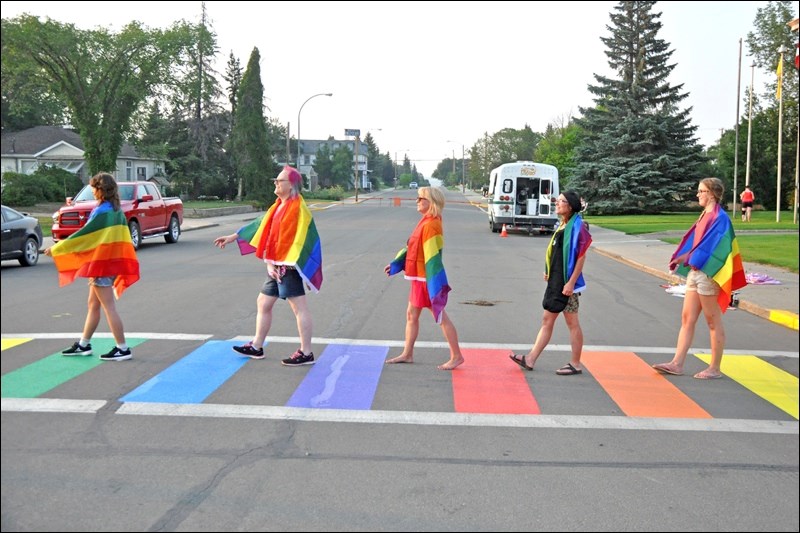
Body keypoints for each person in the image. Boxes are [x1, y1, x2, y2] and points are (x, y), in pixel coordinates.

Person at [214, 166, 323, 366]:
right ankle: (256, 346)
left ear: (291, 185)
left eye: (279, 180)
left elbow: (293, 241)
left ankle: (306, 352)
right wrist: (233, 237)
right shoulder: (278, 206)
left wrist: (276, 263)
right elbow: (261, 225)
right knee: (263, 303)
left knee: (299, 308)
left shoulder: (297, 208)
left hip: (287, 266)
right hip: (276, 265)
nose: (275, 183)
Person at [653, 177, 747, 380]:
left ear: (711, 193)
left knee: (712, 321)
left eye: (701, 191)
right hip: (696, 272)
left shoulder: (720, 218)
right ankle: (676, 363)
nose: (697, 195)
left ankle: (714, 368)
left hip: (708, 274)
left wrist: (687, 257)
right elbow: (696, 244)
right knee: (687, 318)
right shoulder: (705, 214)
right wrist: (683, 256)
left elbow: (714, 250)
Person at [45, 172, 139, 362]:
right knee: (93, 305)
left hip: (101, 265)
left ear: (101, 190)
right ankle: (83, 344)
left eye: (93, 188)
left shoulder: (101, 212)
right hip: (112, 263)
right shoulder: (116, 211)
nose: (92, 192)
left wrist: (57, 248)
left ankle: (122, 348)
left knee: (108, 307)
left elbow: (84, 237)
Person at [509, 190, 592, 375]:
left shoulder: (578, 227)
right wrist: (548, 270)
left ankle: (576, 363)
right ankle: (530, 359)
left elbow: (581, 257)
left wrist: (570, 283)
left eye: (560, 201)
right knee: (547, 320)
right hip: (556, 282)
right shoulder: (563, 225)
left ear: (570, 206)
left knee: (572, 323)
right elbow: (555, 253)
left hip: (567, 285)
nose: (556, 203)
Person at [384, 186, 464, 370]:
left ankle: (457, 356)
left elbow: (433, 257)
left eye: (421, 198)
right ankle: (408, 353)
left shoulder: (431, 224)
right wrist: (397, 263)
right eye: (418, 198)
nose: (417, 201)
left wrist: (434, 283)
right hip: (419, 277)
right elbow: (412, 246)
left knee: (440, 316)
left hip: (425, 279)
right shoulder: (425, 221)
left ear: (431, 202)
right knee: (412, 315)